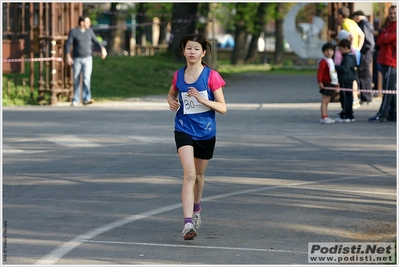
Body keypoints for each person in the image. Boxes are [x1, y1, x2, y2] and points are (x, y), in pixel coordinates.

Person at [166, 33, 227, 240]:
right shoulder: (178, 75)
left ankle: (197, 208)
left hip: (206, 131)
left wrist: (202, 99)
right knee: (189, 175)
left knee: (199, 177)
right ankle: (187, 224)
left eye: (196, 48)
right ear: (183, 51)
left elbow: (223, 107)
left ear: (203, 52)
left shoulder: (211, 76)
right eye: (188, 48)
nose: (192, 52)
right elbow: (171, 93)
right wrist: (171, 102)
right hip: (183, 128)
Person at [65, 15, 107, 106]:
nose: (90, 24)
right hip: (77, 58)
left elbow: (96, 41)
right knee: (76, 79)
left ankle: (86, 98)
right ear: (82, 23)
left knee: (86, 78)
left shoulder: (90, 31)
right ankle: (76, 99)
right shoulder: (74, 32)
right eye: (88, 22)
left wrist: (102, 49)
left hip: (88, 58)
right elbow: (68, 44)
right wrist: (68, 56)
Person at [369, 5, 397, 122]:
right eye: (391, 13)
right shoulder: (387, 26)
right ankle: (394, 113)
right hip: (384, 60)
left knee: (387, 89)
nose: (392, 15)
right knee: (390, 89)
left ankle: (383, 113)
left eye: (395, 13)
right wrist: (385, 37)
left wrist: (385, 37)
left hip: (392, 61)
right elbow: (380, 41)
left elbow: (386, 39)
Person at [338, 6, 365, 109]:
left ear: (340, 16)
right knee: (353, 75)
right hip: (356, 51)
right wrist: (358, 48)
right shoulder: (353, 22)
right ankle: (355, 99)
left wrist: (351, 49)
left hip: (350, 52)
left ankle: (353, 98)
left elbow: (352, 37)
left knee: (349, 76)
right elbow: (361, 35)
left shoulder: (345, 23)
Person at [351, 10, 375, 104]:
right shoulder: (367, 23)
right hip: (366, 53)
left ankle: (366, 97)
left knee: (364, 75)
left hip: (365, 53)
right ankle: (366, 97)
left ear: (357, 17)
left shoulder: (364, 25)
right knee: (364, 75)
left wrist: (361, 51)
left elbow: (369, 42)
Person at [335, 39, 357, 123]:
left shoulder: (348, 57)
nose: (340, 51)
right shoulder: (351, 56)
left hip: (346, 79)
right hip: (348, 79)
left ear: (346, 48)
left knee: (345, 97)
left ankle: (346, 114)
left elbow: (345, 68)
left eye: (341, 49)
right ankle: (348, 113)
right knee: (348, 96)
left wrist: (335, 67)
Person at [317, 42, 338, 124]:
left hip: (331, 82)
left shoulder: (331, 61)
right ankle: (324, 116)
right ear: (323, 52)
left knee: (328, 100)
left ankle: (326, 115)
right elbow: (320, 73)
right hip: (325, 83)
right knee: (324, 100)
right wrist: (320, 82)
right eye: (327, 51)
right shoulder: (323, 61)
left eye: (331, 50)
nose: (329, 52)